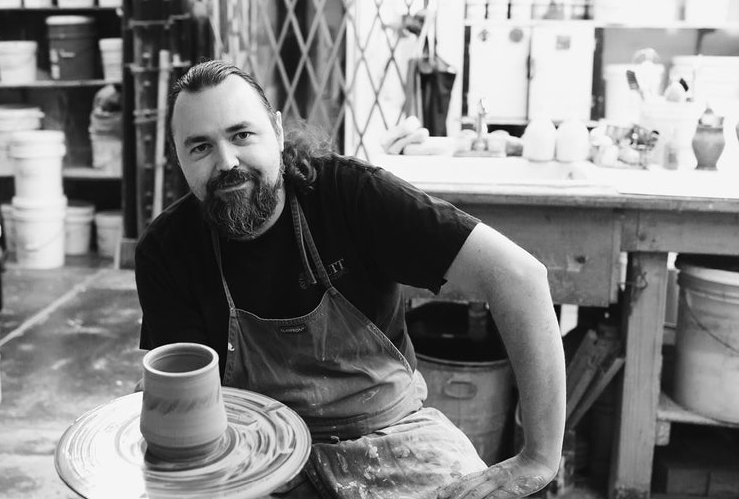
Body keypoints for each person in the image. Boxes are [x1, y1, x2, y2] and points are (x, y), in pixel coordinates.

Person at [134, 59, 565, 499]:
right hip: (251, 450)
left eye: (242, 134)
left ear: (278, 133)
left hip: (392, 434)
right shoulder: (167, 249)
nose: (227, 162)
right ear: (179, 159)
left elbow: (519, 277)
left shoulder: (351, 195)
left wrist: (538, 458)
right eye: (200, 147)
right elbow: (174, 398)